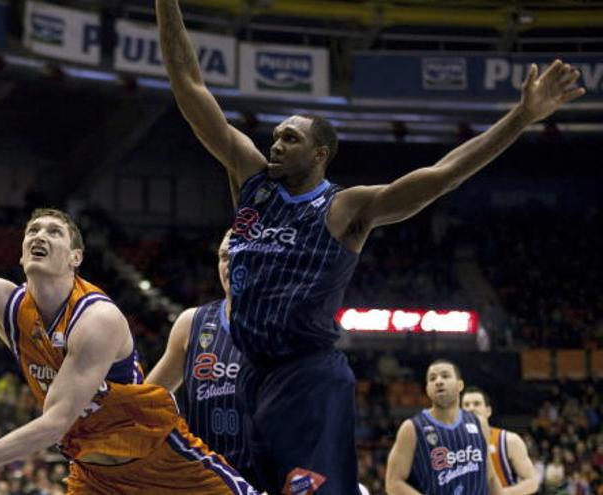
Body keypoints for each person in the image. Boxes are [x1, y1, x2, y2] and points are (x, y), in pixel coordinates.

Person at [154, 0, 585, 490]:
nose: (274, 144)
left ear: (319, 155)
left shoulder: (345, 208)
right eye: (274, 135)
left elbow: (444, 176)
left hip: (309, 377)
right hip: (252, 374)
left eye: (289, 139)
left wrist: (521, 116)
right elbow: (190, 88)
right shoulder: (251, 181)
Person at [0, 114, 257, 495]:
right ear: (21, 253)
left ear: (75, 257)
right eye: (33, 230)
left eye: (55, 232)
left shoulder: (97, 318)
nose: (41, 235)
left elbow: (55, 424)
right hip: (94, 476)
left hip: (162, 463)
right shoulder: (2, 301)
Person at [146, 230, 255, 485]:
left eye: (242, 256)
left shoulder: (287, 327)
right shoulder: (191, 323)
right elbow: (148, 400)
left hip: (265, 478)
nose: (230, 265)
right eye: (225, 257)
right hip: (206, 479)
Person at [385, 360, 503, 494]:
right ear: (428, 390)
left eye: (445, 376)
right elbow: (393, 482)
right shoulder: (412, 428)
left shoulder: (479, 423)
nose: (439, 381)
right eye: (432, 378)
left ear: (460, 385)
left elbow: (491, 477)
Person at [462, 386, 541, 494]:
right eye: (466, 405)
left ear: (488, 411)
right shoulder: (451, 443)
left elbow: (532, 482)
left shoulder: (509, 441)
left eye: (477, 404)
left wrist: (502, 493)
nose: (471, 408)